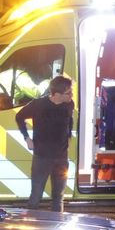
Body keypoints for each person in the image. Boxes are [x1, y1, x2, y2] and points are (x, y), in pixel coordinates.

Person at [15, 75, 74, 212]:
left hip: (61, 158)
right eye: (68, 93)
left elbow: (69, 120)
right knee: (36, 196)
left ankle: (56, 227)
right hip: (42, 158)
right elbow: (19, 117)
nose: (71, 95)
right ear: (57, 94)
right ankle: (30, 228)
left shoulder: (69, 104)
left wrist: (69, 135)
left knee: (58, 197)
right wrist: (27, 138)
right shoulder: (38, 105)